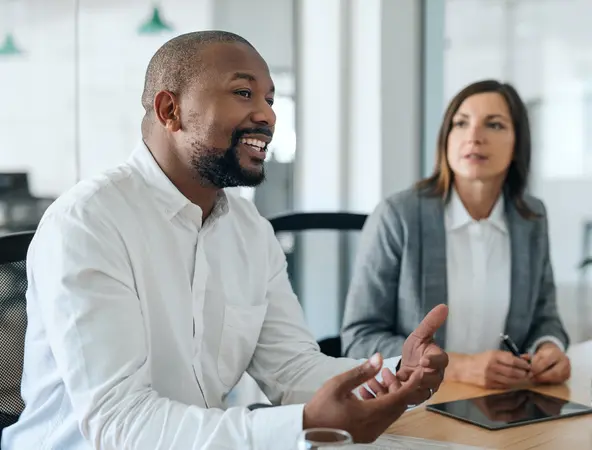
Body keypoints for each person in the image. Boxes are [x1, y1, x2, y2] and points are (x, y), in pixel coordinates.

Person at [1, 31, 449, 450]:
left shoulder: (250, 231)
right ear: (169, 110)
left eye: (270, 99)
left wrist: (397, 373)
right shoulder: (89, 222)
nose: (267, 114)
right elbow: (121, 425)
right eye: (243, 93)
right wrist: (303, 424)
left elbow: (291, 370)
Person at [341, 79, 570, 391]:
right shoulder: (399, 215)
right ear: (446, 138)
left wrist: (549, 348)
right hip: (414, 405)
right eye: (461, 123)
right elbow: (359, 337)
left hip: (501, 403)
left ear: (518, 143)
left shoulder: (531, 217)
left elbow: (546, 317)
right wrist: (458, 366)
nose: (474, 137)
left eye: (494, 124)